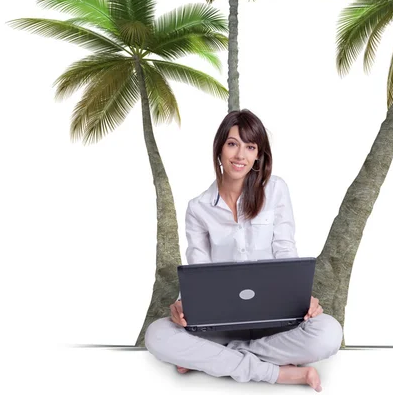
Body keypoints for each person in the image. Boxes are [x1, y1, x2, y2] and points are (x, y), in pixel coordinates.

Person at [145, 109, 342, 391]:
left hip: (276, 320)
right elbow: (198, 270)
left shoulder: (276, 190)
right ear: (219, 149)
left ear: (259, 155)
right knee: (158, 335)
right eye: (233, 144)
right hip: (219, 324)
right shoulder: (198, 208)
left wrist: (300, 297)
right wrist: (183, 304)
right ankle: (280, 373)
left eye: (250, 147)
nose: (241, 156)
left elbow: (285, 250)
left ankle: (216, 359)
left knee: (329, 333)